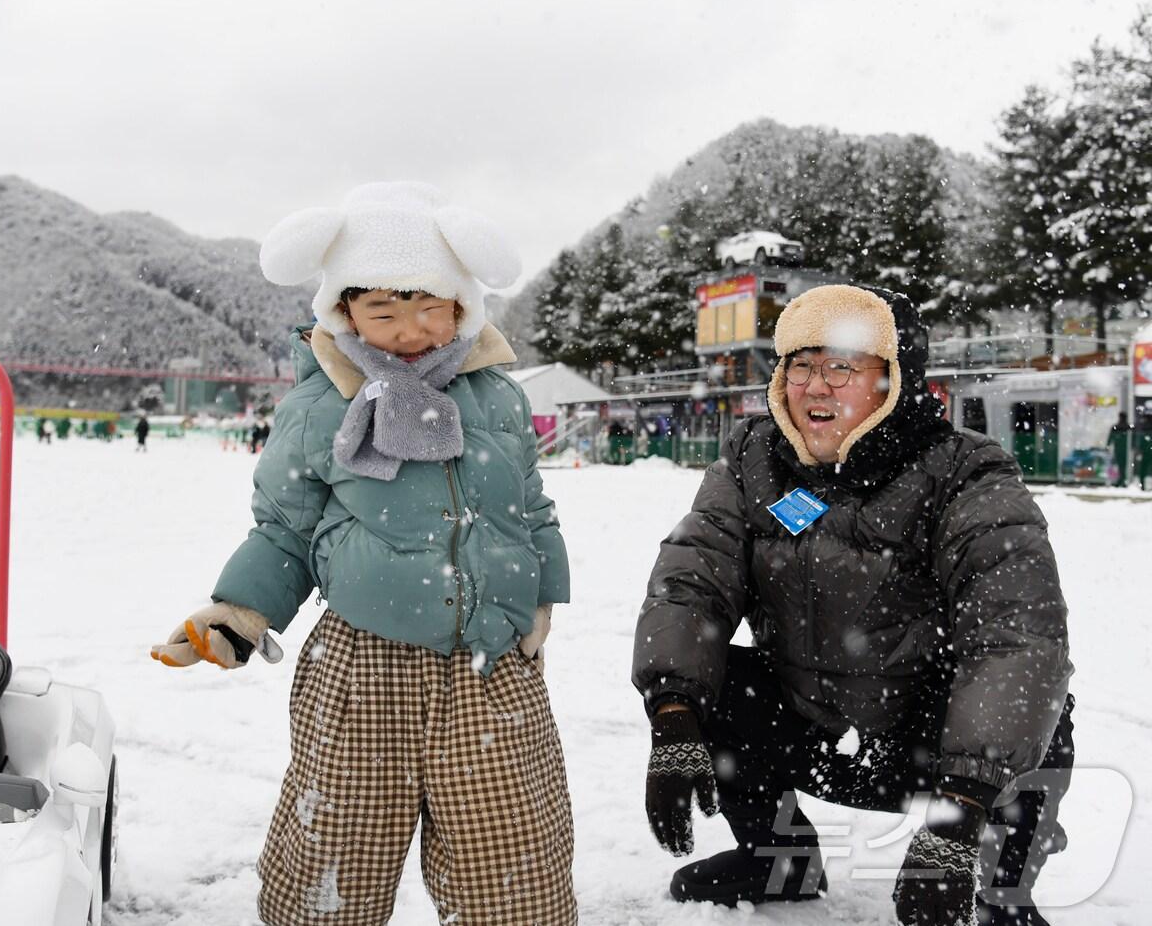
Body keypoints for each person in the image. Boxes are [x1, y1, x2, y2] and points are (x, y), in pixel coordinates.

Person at [150, 182, 574, 925]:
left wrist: (539, 594)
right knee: (333, 868)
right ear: (343, 310)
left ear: (461, 305)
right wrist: (239, 613)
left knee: (515, 872)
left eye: (428, 306)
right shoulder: (320, 406)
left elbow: (528, 506)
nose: (409, 328)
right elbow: (284, 528)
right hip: (361, 670)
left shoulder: (498, 398)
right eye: (383, 309)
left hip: (492, 664)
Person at [632, 285, 1074, 926]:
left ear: (894, 379)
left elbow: (1018, 636)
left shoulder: (964, 472)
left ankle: (995, 893)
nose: (815, 387)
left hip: (928, 746)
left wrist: (958, 812)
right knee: (707, 679)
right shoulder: (754, 460)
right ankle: (777, 859)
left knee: (1038, 710)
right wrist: (673, 717)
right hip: (812, 727)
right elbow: (690, 583)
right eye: (800, 367)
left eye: (840, 367)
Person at [1107, 411, 1133, 487]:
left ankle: (1120, 480)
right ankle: (1122, 480)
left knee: (1119, 465)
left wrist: (1108, 445)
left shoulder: (1115, 427)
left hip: (1118, 449)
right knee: (1123, 465)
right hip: (1125, 449)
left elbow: (1110, 438)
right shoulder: (1128, 427)